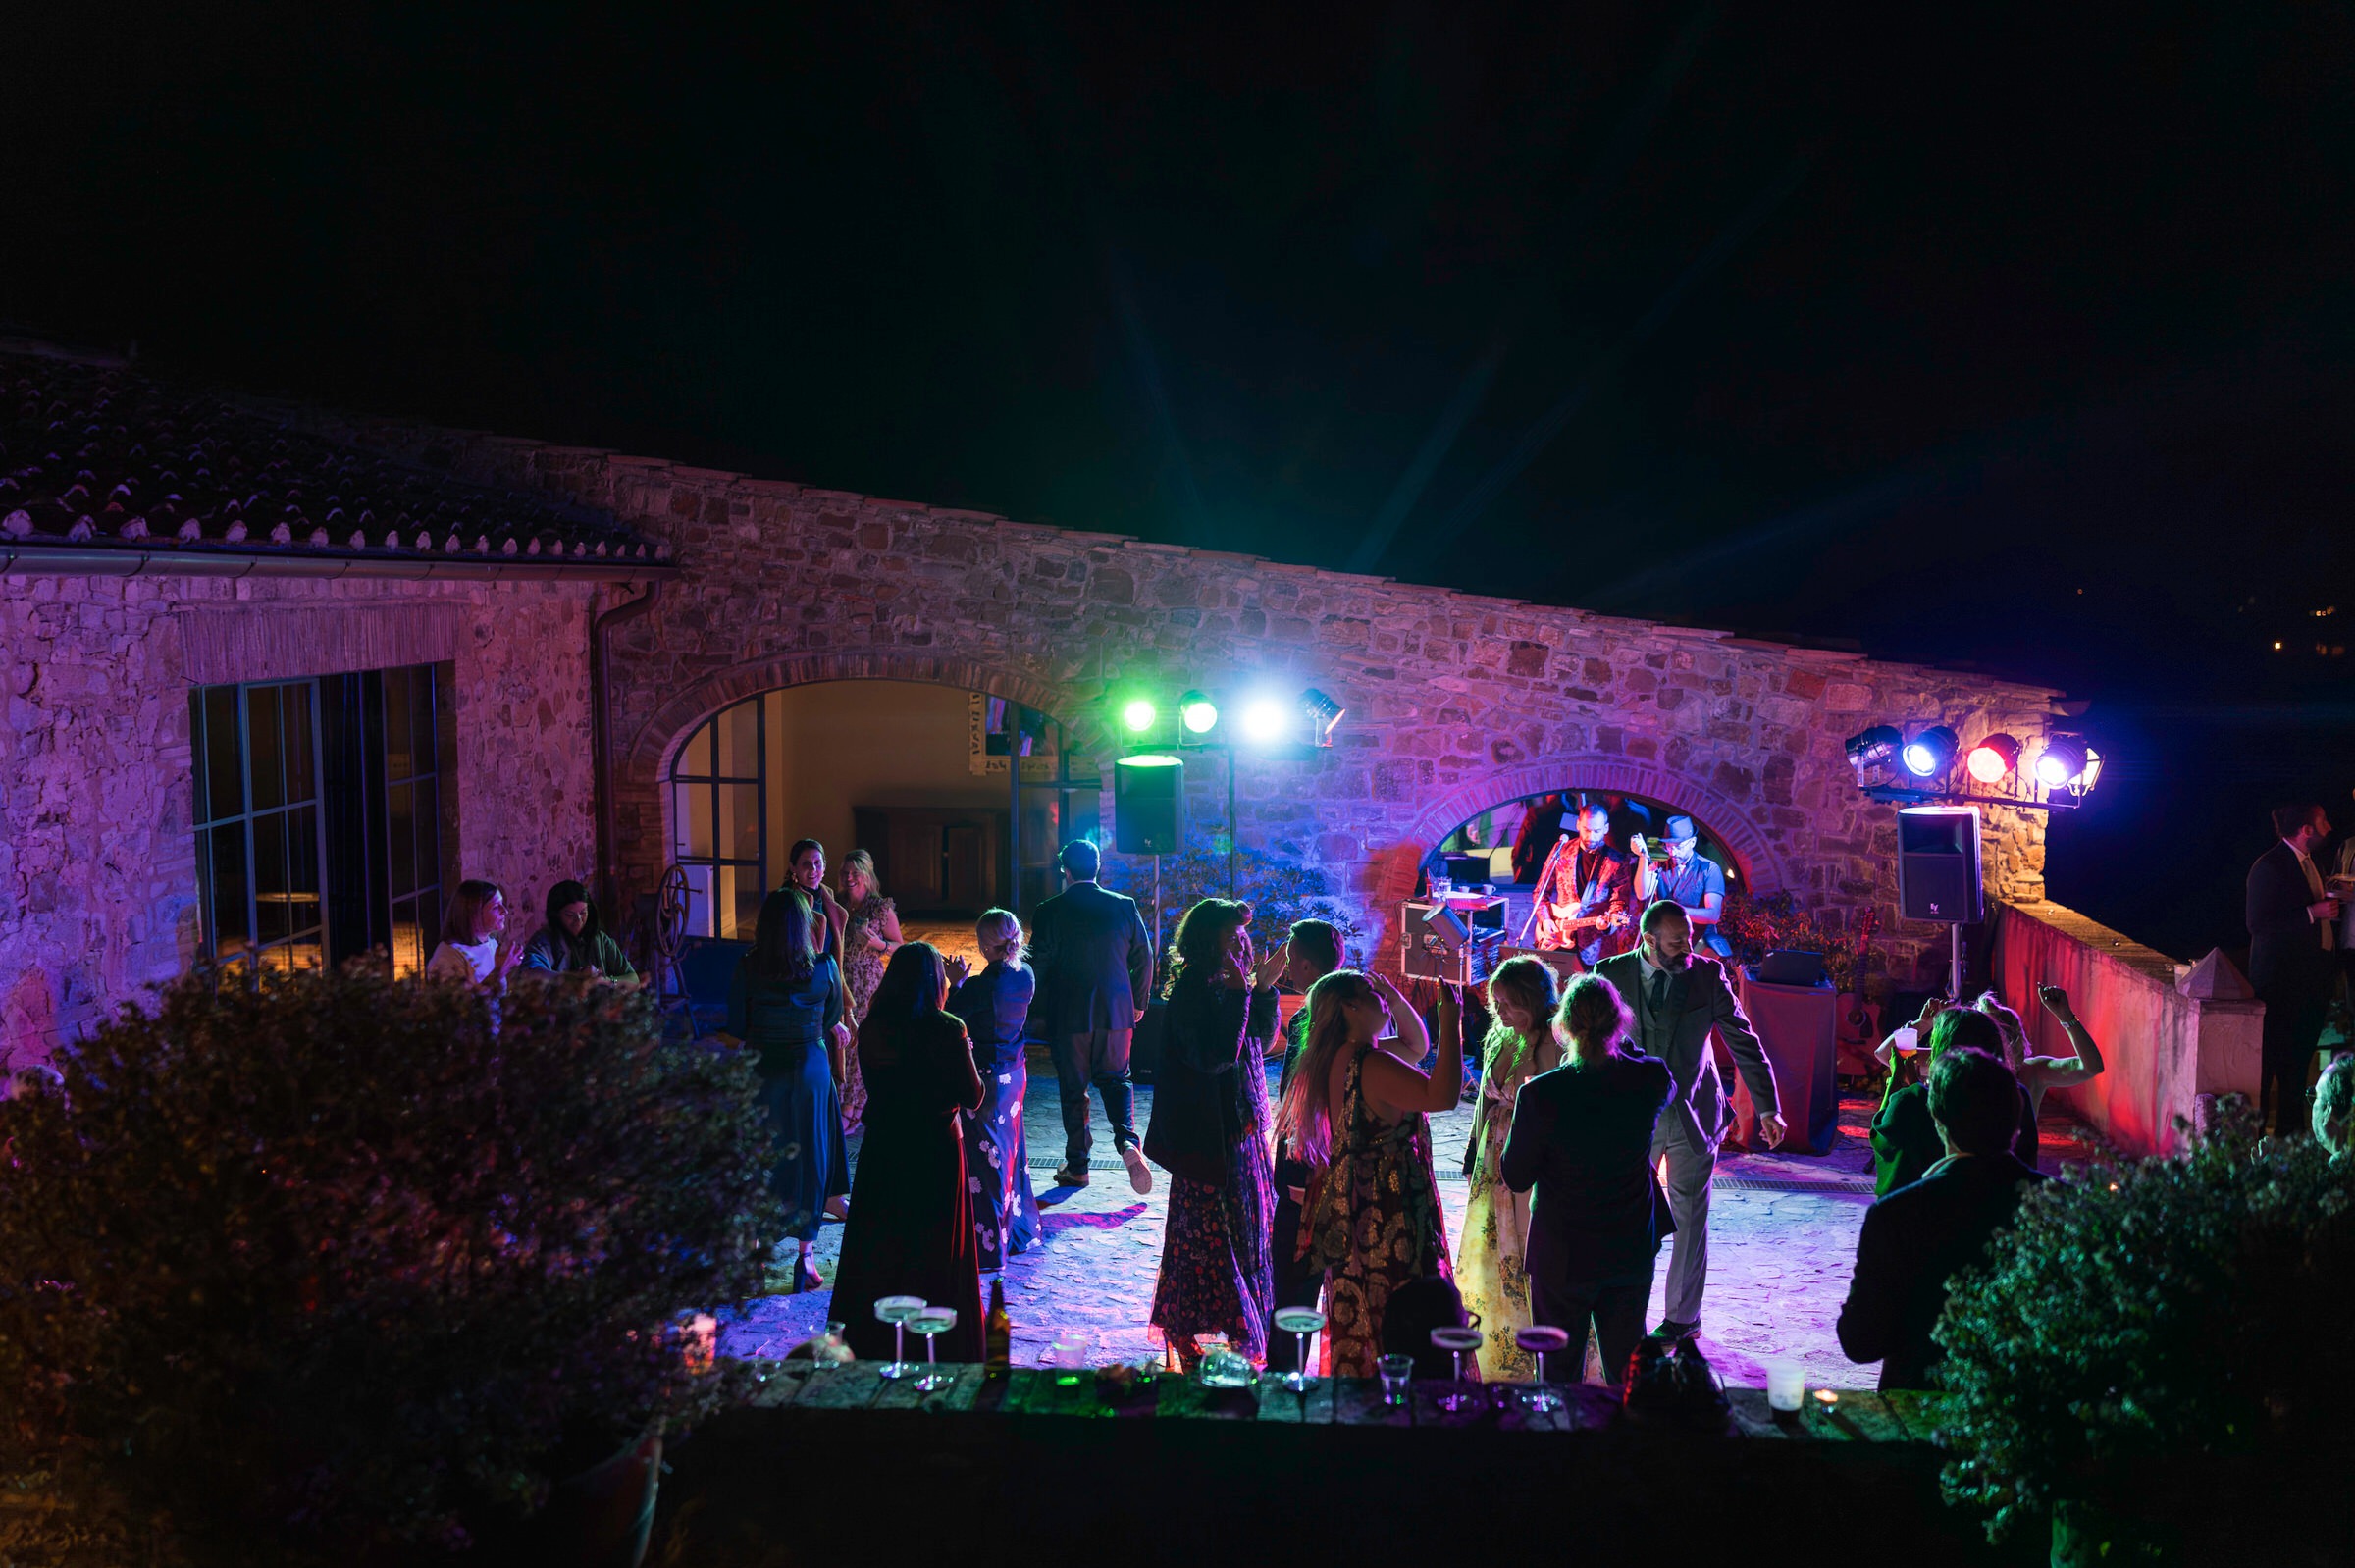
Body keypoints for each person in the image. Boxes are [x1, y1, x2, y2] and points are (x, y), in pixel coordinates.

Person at [1591, 901, 1782, 1342]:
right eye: (1677, 942)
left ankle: (1682, 1318)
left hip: (1695, 1111)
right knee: (1625, 1216)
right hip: (1632, 1117)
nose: (1688, 948)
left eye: (1690, 938)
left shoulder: (1707, 976)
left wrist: (1768, 1106)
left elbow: (1743, 1042)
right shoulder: (1609, 974)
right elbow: (1589, 1040)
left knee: (1691, 1218)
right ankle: (1620, 1311)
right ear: (1648, 940)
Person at [1277, 968, 1462, 1377]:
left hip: (1359, 1209)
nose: (1382, 1000)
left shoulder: (1339, 1055)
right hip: (1389, 1208)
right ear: (1350, 1006)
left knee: (1368, 1312)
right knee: (1401, 1310)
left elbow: (1416, 1045)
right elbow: (1444, 1096)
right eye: (1372, 994)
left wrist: (1395, 997)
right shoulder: (1372, 1063)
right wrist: (1453, 1023)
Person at [1500, 973, 1676, 1389]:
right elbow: (1636, 1064)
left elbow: (1516, 1176)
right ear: (1620, 1023)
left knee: (1559, 1374)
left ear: (1564, 1026)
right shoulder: (1650, 1078)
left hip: (1562, 1250)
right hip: (1629, 1244)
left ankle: (1564, 1447)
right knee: (1626, 1368)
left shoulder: (1541, 1094)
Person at [1837, 1046, 2047, 1390]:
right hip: (2028, 1411)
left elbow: (1860, 1342)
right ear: (2017, 1120)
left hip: (1922, 1410)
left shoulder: (1897, 1213)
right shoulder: (2063, 1204)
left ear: (1937, 1120)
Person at [829, 942, 986, 1364]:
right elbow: (973, 1096)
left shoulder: (875, 1025)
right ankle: (941, 1346)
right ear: (936, 981)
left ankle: (874, 1340)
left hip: (885, 1147)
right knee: (935, 1248)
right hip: (935, 1148)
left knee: (881, 1243)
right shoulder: (949, 1028)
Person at [1144, 899, 1281, 1366]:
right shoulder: (1191, 992)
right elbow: (1215, 1057)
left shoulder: (1229, 985)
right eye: (1231, 936)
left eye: (1243, 936)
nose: (1240, 944)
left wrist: (1262, 992)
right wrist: (1243, 996)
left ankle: (1244, 1329)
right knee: (1203, 1239)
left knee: (1247, 1234)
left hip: (1241, 1130)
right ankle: (1184, 1331)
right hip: (1206, 1140)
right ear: (1207, 942)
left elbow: (1261, 1042)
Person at [722, 887, 846, 1293]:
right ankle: (805, 1260)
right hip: (809, 1069)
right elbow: (830, 1017)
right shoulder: (825, 966)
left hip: (762, 1069)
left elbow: (737, 1025)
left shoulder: (747, 967)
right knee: (811, 1157)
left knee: (762, 1158)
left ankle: (754, 1259)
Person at [1027, 840, 1155, 1192]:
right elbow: (1144, 957)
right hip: (1116, 1011)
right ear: (1098, 867)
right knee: (1117, 1079)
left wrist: (1032, 1008)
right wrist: (1139, 1001)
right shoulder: (1124, 906)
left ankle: (1079, 1167)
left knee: (1073, 1089)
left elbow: (1040, 962)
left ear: (1065, 871)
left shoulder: (1049, 910)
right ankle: (1128, 1142)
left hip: (1068, 1014)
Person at [1457, 954, 1562, 1380]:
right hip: (1493, 1157)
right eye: (1496, 1002)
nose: (1500, 1012)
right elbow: (1485, 1098)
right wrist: (1471, 1150)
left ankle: (1537, 1344)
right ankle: (1501, 1343)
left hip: (1530, 1161)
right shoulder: (1500, 1035)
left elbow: (1557, 1112)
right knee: (1496, 1248)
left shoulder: (1556, 1040)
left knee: (1527, 1251)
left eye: (1509, 1003)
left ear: (1534, 999)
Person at [1265, 918, 1342, 1374]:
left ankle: (1283, 1381)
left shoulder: (1316, 1021)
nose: (1288, 966)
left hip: (1306, 1171)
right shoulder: (1342, 1013)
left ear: (1307, 965)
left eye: (1291, 958)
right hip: (1317, 1169)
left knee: (1293, 1290)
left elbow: (1302, 1099)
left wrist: (1297, 1171)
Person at [946, 909, 1042, 1270]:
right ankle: (1017, 1230)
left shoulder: (982, 986)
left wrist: (954, 983)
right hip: (1015, 1075)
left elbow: (951, 1018)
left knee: (987, 1162)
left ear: (986, 946)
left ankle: (989, 1246)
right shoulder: (1026, 975)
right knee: (1010, 1154)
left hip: (987, 1081)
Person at [1871, 1007, 2038, 1195]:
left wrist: (1900, 1082)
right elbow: (2026, 1155)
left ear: (1944, 1045)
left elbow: (1882, 1134)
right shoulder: (2015, 1093)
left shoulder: (1918, 1099)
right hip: (2009, 1199)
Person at [2246, 803, 2340, 1135]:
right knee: (2270, 1066)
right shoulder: (2269, 866)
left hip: (2311, 986)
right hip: (2280, 986)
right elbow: (2259, 924)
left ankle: (2290, 1143)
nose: (2329, 827)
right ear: (2307, 830)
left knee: (2297, 1068)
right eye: (2323, 821)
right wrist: (2311, 914)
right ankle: (2256, 1144)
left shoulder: (2311, 864)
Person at [1971, 985, 2106, 1168]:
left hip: (2020, 1181)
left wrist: (2066, 1017)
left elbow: (2091, 1067)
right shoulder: (1963, 1070)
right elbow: (1918, 1056)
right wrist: (1922, 1027)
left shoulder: (2032, 1072)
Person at [786, 839, 859, 1156]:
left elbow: (833, 967)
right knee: (810, 1086)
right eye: (806, 864)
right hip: (807, 1009)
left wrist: (847, 1010)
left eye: (818, 864)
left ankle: (824, 1164)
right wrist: (829, 1019)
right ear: (792, 869)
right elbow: (803, 972)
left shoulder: (827, 902)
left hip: (829, 1001)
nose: (813, 870)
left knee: (827, 1084)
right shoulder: (789, 906)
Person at [1533, 803, 1634, 966]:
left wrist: (1608, 924)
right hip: (1558, 941)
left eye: (1597, 831)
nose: (1591, 837)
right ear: (1578, 824)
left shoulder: (1617, 861)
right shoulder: (1562, 851)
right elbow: (1540, 893)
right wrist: (1545, 920)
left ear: (1606, 828)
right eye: (1586, 830)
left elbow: (1620, 902)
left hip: (1595, 947)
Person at [1631, 815, 1732, 959]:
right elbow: (1642, 894)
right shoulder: (1660, 864)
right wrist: (1643, 857)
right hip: (1664, 944)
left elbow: (1713, 915)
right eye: (1669, 847)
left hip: (1696, 946)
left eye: (1678, 846)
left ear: (1692, 842)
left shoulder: (1709, 869)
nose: (1673, 852)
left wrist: (1676, 911)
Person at [519, 878, 639, 984]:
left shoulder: (600, 940)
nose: (579, 921)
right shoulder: (545, 940)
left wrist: (606, 981)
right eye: (569, 915)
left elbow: (633, 979)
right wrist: (575, 979)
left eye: (583, 913)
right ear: (556, 915)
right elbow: (530, 973)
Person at [425, 879, 527, 992]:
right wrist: (498, 972)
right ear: (473, 913)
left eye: (502, 904)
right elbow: (460, 1006)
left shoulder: (492, 943)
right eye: (496, 907)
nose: (505, 911)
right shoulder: (447, 956)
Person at [1510, 793, 1567, 886]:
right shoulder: (1573, 816)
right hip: (1563, 878)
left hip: (1536, 875)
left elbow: (1519, 849)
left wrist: (1518, 868)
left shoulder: (1535, 814)